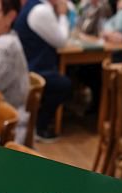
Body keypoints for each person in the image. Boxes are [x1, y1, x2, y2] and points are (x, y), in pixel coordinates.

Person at [14, 0, 72, 141]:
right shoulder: (41, 10)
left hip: (28, 65)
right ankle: (40, 127)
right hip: (34, 70)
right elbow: (62, 41)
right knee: (64, 85)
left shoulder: (33, 6)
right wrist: (63, 15)